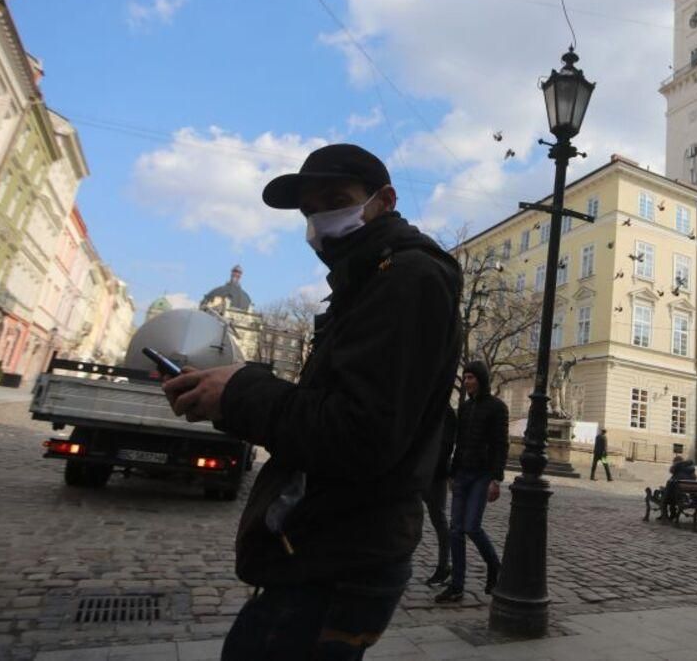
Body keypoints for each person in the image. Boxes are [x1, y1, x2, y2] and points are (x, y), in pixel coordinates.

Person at [162, 143, 461, 659]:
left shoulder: (408, 277)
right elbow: (330, 408)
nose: (320, 221)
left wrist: (240, 391)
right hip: (322, 548)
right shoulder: (367, 278)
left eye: (337, 201)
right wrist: (227, 395)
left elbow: (361, 433)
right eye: (309, 211)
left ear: (385, 200)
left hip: (341, 559)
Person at [434, 361, 508, 603]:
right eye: (465, 377)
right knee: (456, 530)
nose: (466, 382)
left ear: (481, 379)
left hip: (482, 475)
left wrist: (496, 479)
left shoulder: (497, 407)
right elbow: (459, 442)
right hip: (462, 474)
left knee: (472, 527)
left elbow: (501, 445)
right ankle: (457, 585)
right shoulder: (464, 408)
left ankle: (494, 565)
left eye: (470, 378)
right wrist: (452, 473)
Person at [423, 400, 457, 586]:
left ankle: (444, 565)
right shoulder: (426, 406)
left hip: (435, 474)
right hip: (419, 471)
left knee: (439, 519)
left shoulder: (447, 412)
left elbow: (446, 447)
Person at [660, 455, 697, 520]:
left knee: (664, 498)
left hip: (677, 497)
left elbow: (669, 488)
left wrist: (663, 489)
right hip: (686, 498)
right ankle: (671, 514)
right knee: (673, 494)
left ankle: (666, 515)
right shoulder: (691, 473)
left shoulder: (676, 475)